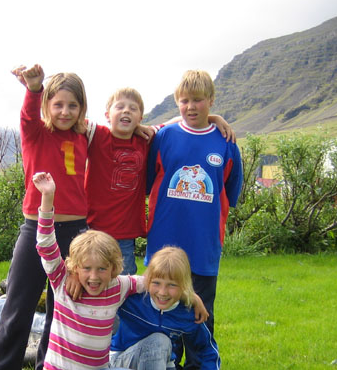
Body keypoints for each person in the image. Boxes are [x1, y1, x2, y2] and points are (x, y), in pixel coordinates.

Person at [0, 65, 90, 370]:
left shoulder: (86, 136)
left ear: (82, 108)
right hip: (35, 229)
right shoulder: (35, 133)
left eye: (73, 105)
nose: (65, 112)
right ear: (47, 107)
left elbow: (123, 131)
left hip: (75, 233)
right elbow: (28, 112)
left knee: (62, 306)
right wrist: (35, 86)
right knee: (19, 302)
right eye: (58, 105)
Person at [32, 171, 145, 370]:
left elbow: (152, 282)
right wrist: (47, 197)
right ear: (74, 268)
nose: (94, 277)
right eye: (87, 269)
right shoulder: (62, 283)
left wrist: (189, 294)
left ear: (114, 269)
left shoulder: (118, 287)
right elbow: (46, 244)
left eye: (102, 269)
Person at [145, 69, 243, 370]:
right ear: (177, 102)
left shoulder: (225, 142)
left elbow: (232, 191)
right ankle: (166, 369)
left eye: (198, 100)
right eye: (184, 100)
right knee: (163, 307)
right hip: (164, 242)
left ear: (210, 101)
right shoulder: (164, 137)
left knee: (201, 312)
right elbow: (149, 181)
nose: (191, 106)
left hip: (204, 244)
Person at [85, 88, 235, 275]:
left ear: (141, 118)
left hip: (125, 235)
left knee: (123, 287)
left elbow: (178, 121)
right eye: (120, 107)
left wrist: (213, 118)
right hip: (92, 228)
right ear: (107, 114)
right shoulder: (96, 135)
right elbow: (72, 119)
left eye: (133, 108)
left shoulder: (145, 139)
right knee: (89, 280)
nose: (126, 111)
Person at [110, 246, 220, 370]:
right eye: (157, 283)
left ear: (184, 285)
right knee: (159, 342)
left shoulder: (187, 313)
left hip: (163, 366)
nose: (162, 292)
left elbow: (207, 349)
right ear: (147, 281)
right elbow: (100, 287)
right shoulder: (132, 299)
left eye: (172, 285)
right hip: (123, 362)